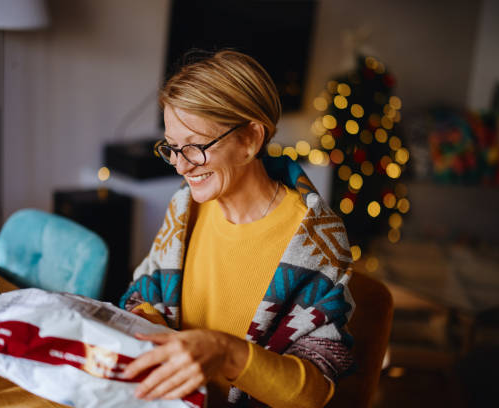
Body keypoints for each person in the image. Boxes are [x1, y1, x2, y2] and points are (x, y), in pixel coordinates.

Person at [120, 50, 355, 408]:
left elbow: (315, 393)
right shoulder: (184, 208)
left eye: (195, 147)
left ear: (250, 140)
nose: (180, 166)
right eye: (171, 148)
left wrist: (226, 352)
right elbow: (141, 298)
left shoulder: (314, 239)